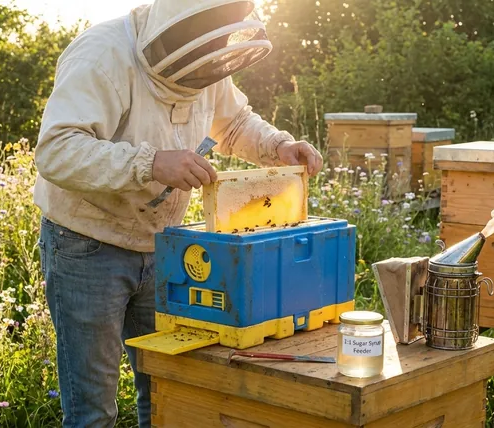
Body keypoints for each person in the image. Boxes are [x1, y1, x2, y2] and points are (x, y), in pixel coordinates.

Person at [32, 0, 323, 427]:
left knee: (169, 389)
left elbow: (233, 121)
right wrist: (150, 163)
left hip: (167, 250)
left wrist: (277, 145)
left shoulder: (202, 53)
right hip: (86, 246)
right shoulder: (101, 54)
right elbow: (56, 150)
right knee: (93, 409)